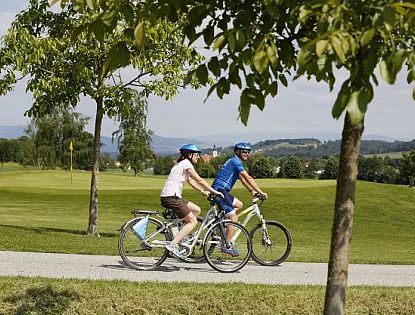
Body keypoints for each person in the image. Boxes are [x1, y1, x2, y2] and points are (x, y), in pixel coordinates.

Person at [160, 144, 224, 258]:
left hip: (172, 196)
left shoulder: (181, 164)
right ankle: (173, 244)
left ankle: (183, 236)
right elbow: (199, 179)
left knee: (196, 210)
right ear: (190, 155)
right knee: (193, 221)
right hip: (172, 197)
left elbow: (190, 181)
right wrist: (214, 191)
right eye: (196, 155)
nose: (198, 157)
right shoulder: (186, 163)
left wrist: (202, 191)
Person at [212, 142, 268, 255]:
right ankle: (227, 246)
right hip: (219, 190)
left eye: (248, 152)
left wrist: (252, 191)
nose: (247, 154)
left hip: (221, 190)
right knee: (234, 218)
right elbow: (248, 178)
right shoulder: (236, 161)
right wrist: (260, 192)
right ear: (238, 152)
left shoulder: (234, 161)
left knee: (239, 205)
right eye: (245, 152)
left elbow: (242, 179)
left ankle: (223, 223)